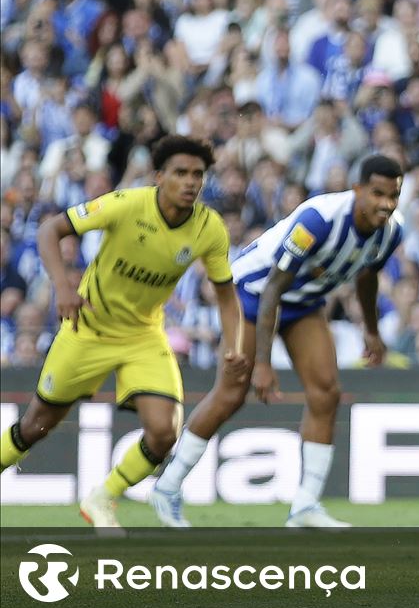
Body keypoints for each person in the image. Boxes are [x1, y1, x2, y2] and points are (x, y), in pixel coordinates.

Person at [0, 136, 246, 531]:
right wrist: (63, 287)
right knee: (36, 426)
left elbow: (226, 296)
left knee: (165, 432)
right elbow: (50, 229)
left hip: (143, 336)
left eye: (197, 174)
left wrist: (233, 349)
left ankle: (102, 497)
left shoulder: (209, 228)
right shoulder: (127, 204)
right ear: (159, 176)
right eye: (180, 173)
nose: (190, 182)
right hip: (88, 328)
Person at [150, 155, 405, 528]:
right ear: (358, 189)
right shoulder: (318, 219)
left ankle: (305, 507)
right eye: (378, 193)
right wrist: (264, 365)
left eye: (393, 196)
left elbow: (367, 277)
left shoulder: (392, 231)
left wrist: (371, 330)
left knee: (326, 392)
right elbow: (272, 289)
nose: (386, 204)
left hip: (303, 304)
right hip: (251, 295)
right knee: (232, 392)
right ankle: (167, 487)